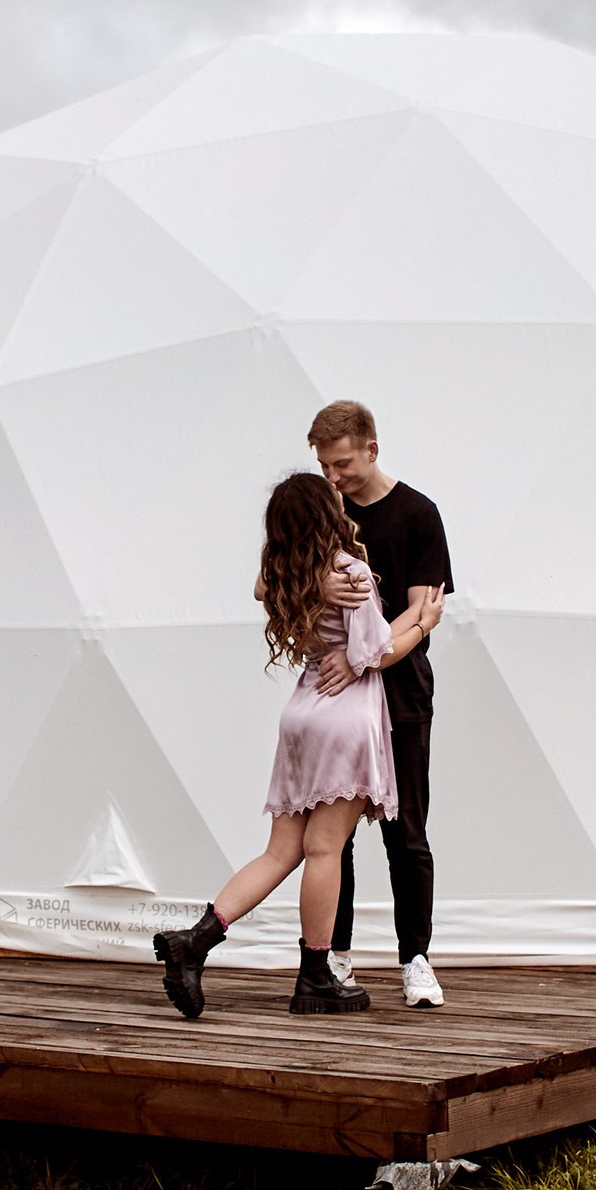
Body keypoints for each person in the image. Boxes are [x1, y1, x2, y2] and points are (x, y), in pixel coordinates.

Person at [151, 472, 405, 1019]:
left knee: (280, 851)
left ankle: (194, 942)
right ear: (327, 512)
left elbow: (262, 588)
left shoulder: (284, 574)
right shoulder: (351, 572)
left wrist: (311, 582)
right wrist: (422, 620)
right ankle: (315, 975)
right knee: (325, 850)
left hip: (301, 713)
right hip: (345, 714)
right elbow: (378, 649)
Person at [301, 400, 452, 1006]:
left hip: (402, 696)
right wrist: (316, 585)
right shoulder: (323, 514)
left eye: (342, 465)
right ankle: (335, 958)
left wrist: (361, 655)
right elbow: (269, 582)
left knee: (406, 832)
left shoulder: (418, 515)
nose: (334, 478)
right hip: (339, 702)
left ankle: (415, 959)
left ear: (372, 449)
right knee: (333, 838)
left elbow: (424, 613)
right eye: (324, 466)